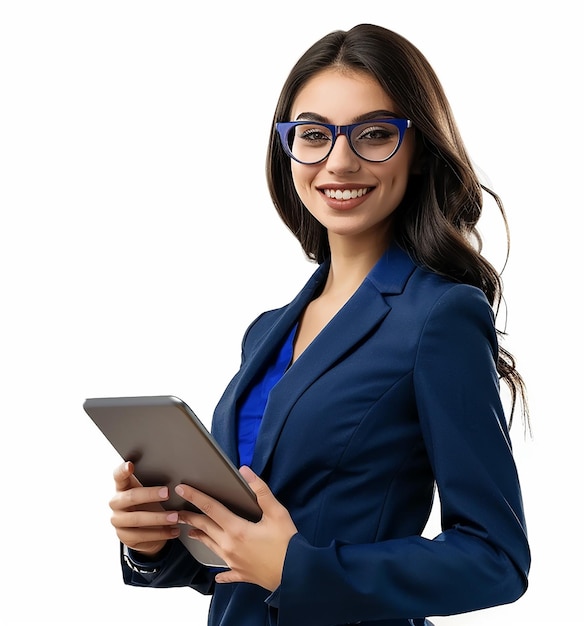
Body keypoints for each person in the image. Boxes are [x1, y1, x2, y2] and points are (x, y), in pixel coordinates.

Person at [109, 23, 531, 626]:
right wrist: (154, 543)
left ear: (418, 152)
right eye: (313, 135)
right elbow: (242, 561)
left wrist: (297, 568)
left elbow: (496, 559)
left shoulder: (439, 317)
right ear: (289, 151)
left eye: (375, 134)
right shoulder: (267, 332)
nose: (340, 161)